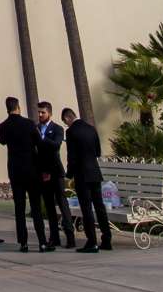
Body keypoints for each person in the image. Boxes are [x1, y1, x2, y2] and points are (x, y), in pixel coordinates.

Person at [0, 97, 44, 252]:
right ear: (18, 107)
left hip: (15, 170)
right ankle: (42, 241)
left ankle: (23, 242)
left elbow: (2, 141)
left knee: (19, 207)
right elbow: (39, 143)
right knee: (36, 206)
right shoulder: (29, 124)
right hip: (32, 169)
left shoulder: (3, 126)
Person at [60, 107, 111, 252]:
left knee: (86, 208)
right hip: (95, 172)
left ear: (67, 118)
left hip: (82, 174)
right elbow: (97, 151)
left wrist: (69, 175)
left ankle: (92, 242)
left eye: (65, 122)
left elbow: (72, 156)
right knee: (100, 207)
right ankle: (107, 239)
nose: (66, 125)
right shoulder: (91, 128)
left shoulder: (71, 132)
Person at [33, 100, 72, 251]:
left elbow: (56, 145)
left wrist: (42, 140)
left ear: (49, 113)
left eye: (43, 112)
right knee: (49, 206)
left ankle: (70, 237)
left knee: (62, 204)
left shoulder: (57, 129)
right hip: (42, 172)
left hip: (55, 172)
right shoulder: (35, 128)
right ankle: (53, 238)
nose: (40, 115)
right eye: (39, 112)